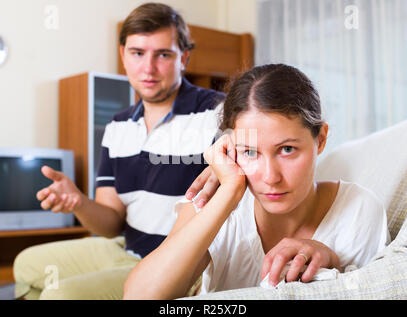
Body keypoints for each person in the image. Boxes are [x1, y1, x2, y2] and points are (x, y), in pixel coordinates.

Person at [13, 2, 225, 300]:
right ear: (123, 54)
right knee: (25, 264)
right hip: (126, 249)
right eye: (137, 53)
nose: (148, 68)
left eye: (163, 55)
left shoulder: (218, 112)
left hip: (176, 265)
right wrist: (78, 203)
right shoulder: (117, 125)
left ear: (183, 58)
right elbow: (111, 223)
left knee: (61, 294)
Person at [123, 63, 390, 300]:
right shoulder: (214, 198)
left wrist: (333, 261)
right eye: (250, 152)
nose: (270, 177)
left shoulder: (359, 211)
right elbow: (139, 297)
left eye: (287, 149)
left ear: (320, 139)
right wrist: (229, 193)